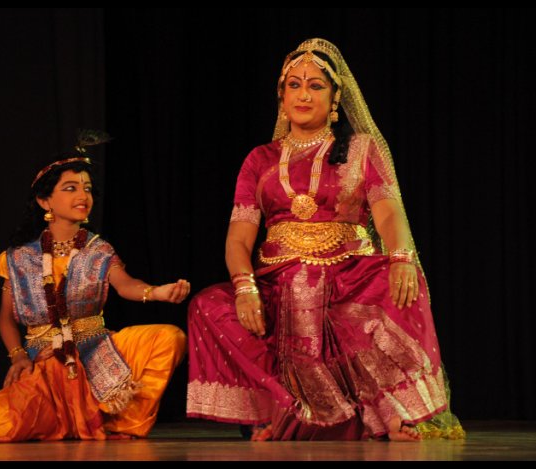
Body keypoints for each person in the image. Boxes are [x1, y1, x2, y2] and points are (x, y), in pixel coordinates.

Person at [186, 39, 465, 442]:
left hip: (348, 278)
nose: (303, 95)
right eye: (294, 85)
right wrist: (245, 287)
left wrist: (402, 257)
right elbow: (239, 236)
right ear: (282, 96)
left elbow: (388, 212)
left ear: (335, 99)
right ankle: (279, 410)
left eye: (315, 86)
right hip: (275, 284)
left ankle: (392, 415)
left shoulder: (360, 150)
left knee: (404, 286)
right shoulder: (260, 159)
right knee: (207, 306)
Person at [0, 132, 189, 442]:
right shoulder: (17, 258)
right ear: (45, 201)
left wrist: (156, 292)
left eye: (87, 188)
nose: (83, 195)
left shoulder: (99, 250)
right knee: (3, 423)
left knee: (169, 338)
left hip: (96, 347)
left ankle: (120, 420)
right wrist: (18, 357)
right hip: (44, 356)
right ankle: (73, 416)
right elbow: (5, 317)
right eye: (70, 188)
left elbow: (126, 285)